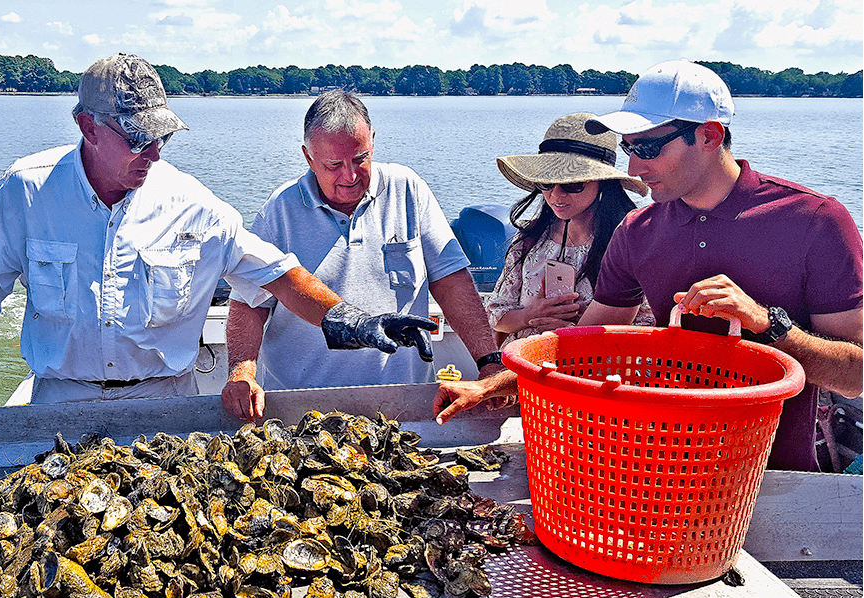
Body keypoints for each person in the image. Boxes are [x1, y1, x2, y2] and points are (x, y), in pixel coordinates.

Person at [0, 54, 435, 458]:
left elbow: (278, 275)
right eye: (138, 138)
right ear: (87, 126)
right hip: (60, 402)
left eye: (162, 136)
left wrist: (352, 320)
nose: (154, 152)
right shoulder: (27, 191)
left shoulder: (190, 202)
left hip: (166, 405)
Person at [573, 59, 862, 471]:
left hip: (777, 473)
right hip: (659, 467)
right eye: (628, 148)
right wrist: (502, 380)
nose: (634, 168)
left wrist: (766, 323)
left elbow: (855, 376)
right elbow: (586, 346)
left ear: (710, 136)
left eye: (649, 148)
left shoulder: (816, 220)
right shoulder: (637, 230)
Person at [222, 89, 501, 421]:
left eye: (359, 159)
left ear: (373, 142)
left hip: (404, 403)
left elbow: (451, 281)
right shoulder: (279, 210)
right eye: (334, 165)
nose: (349, 176)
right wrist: (241, 372)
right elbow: (248, 302)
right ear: (308, 157)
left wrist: (488, 362)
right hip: (301, 408)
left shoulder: (408, 189)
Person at [486, 112, 653, 344]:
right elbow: (496, 314)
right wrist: (531, 316)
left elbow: (645, 326)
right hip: (520, 365)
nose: (555, 194)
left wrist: (572, 331)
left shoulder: (628, 242)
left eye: (572, 184)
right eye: (546, 182)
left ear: (602, 182)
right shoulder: (528, 238)